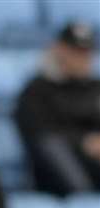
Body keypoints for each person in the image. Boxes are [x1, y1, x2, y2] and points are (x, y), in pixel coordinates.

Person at [15, 22, 100, 196]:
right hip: (57, 175)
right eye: (76, 52)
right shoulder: (37, 90)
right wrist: (83, 142)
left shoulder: (95, 87)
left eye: (86, 53)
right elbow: (39, 132)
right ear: (59, 49)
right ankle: (83, 199)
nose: (83, 59)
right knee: (53, 146)